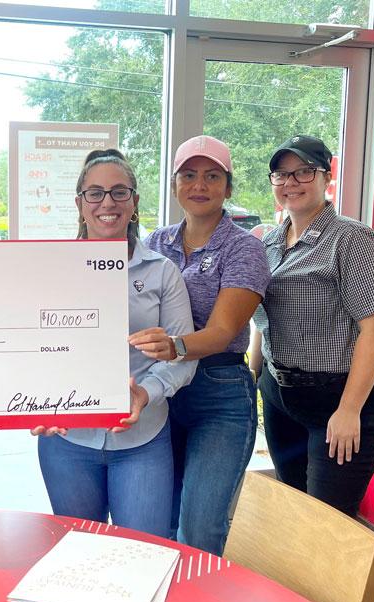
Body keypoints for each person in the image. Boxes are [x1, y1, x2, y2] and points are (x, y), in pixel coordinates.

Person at [32, 149, 196, 539]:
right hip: (67, 440)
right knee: (77, 552)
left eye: (120, 192)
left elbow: (182, 358)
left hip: (142, 441)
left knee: (143, 553)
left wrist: (146, 393)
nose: (108, 202)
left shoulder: (162, 271)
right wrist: (36, 400)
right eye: (95, 193)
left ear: (135, 202)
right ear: (79, 203)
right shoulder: (47, 269)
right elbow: (31, 350)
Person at [128, 136, 269, 555]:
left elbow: (223, 332)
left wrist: (173, 346)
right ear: (174, 185)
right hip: (158, 392)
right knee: (159, 521)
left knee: (200, 527)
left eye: (212, 176)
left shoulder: (246, 248)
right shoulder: (155, 243)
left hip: (218, 392)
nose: (199, 185)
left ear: (228, 185)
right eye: (188, 175)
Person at [250, 135, 374, 516]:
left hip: (343, 399)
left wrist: (349, 409)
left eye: (304, 171)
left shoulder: (353, 240)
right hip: (281, 396)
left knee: (329, 524)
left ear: (325, 176)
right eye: (281, 174)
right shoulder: (269, 243)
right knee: (298, 514)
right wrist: (254, 381)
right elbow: (262, 323)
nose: (291, 182)